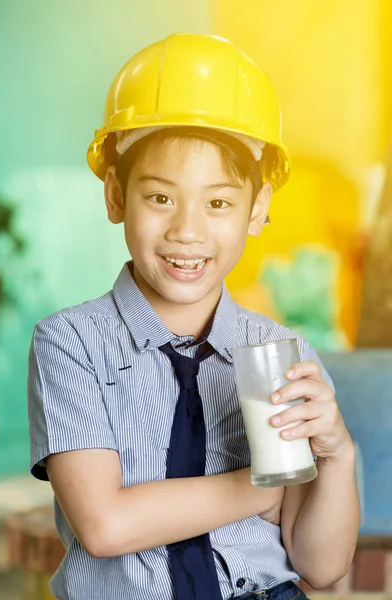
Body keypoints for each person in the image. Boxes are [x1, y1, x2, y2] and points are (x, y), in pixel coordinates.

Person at [28, 33, 360, 600]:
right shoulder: (70, 343)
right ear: (115, 196)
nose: (187, 230)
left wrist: (336, 454)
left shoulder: (284, 354)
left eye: (219, 203)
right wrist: (261, 489)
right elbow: (105, 525)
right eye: (160, 198)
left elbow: (321, 566)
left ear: (257, 210)